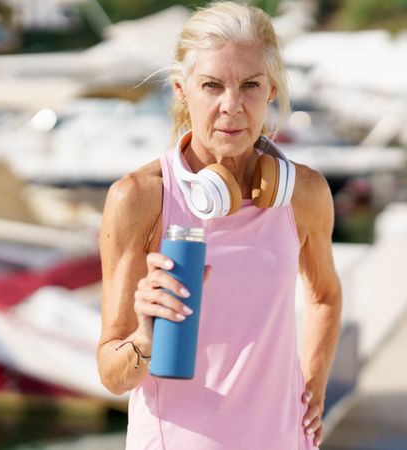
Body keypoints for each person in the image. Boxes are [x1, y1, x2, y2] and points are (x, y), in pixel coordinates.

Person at [96, 2, 342, 449]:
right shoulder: (139, 197)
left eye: (250, 85)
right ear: (182, 90)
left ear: (271, 90)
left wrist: (313, 385)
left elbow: (324, 294)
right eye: (212, 85)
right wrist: (145, 334)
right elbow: (112, 376)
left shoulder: (303, 193)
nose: (232, 106)